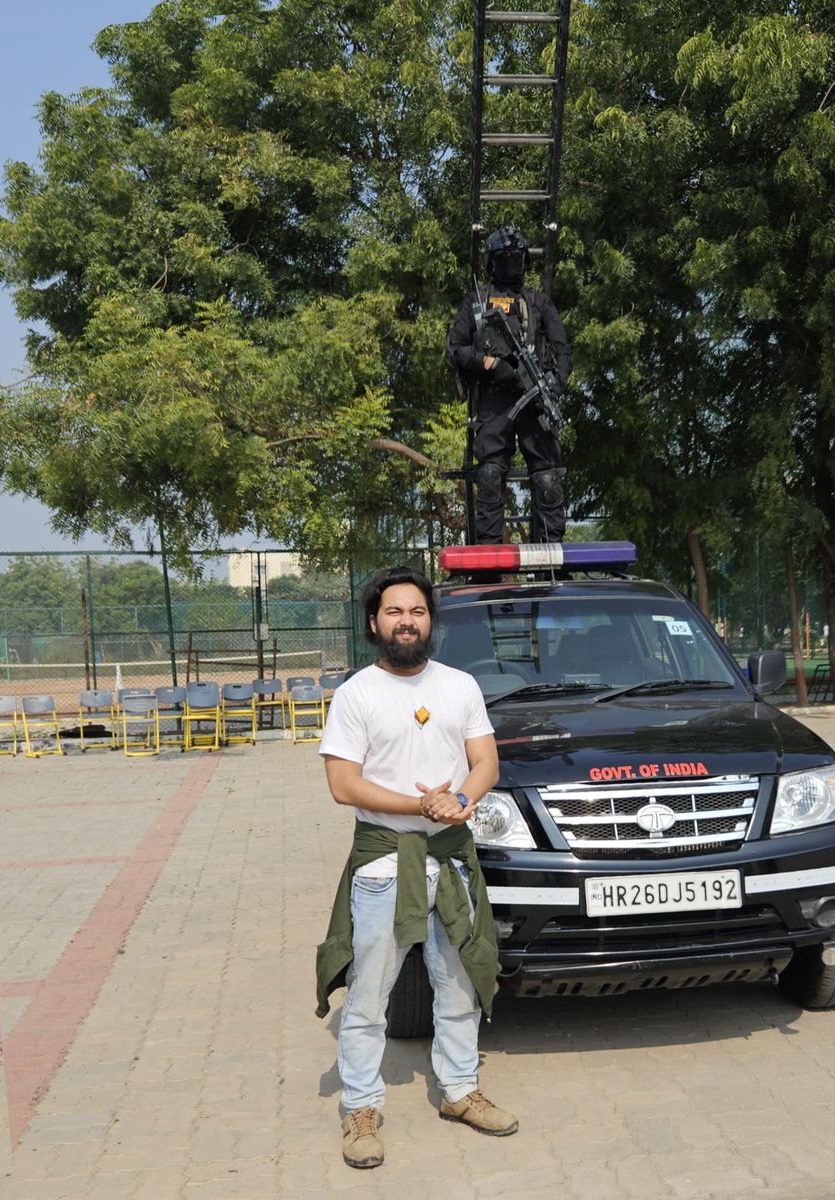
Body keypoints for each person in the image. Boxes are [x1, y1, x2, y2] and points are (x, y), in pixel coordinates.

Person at [314, 564, 516, 1169]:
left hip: (452, 858)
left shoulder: (459, 686)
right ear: (374, 623)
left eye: (418, 611)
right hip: (384, 864)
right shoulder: (356, 694)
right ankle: (360, 1108)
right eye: (395, 612)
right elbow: (342, 784)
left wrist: (463, 799)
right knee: (370, 995)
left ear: (431, 621)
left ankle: (459, 1091)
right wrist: (420, 804)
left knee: (457, 983)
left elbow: (485, 761)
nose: (408, 621)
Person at [446, 224, 572, 543]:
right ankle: (489, 555)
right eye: (504, 258)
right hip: (494, 399)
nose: (510, 263)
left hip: (535, 398)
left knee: (547, 480)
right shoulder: (477, 303)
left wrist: (553, 388)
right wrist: (490, 364)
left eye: (516, 257)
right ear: (491, 262)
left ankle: (549, 555)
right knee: (488, 476)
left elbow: (561, 350)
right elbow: (456, 348)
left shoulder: (539, 303)